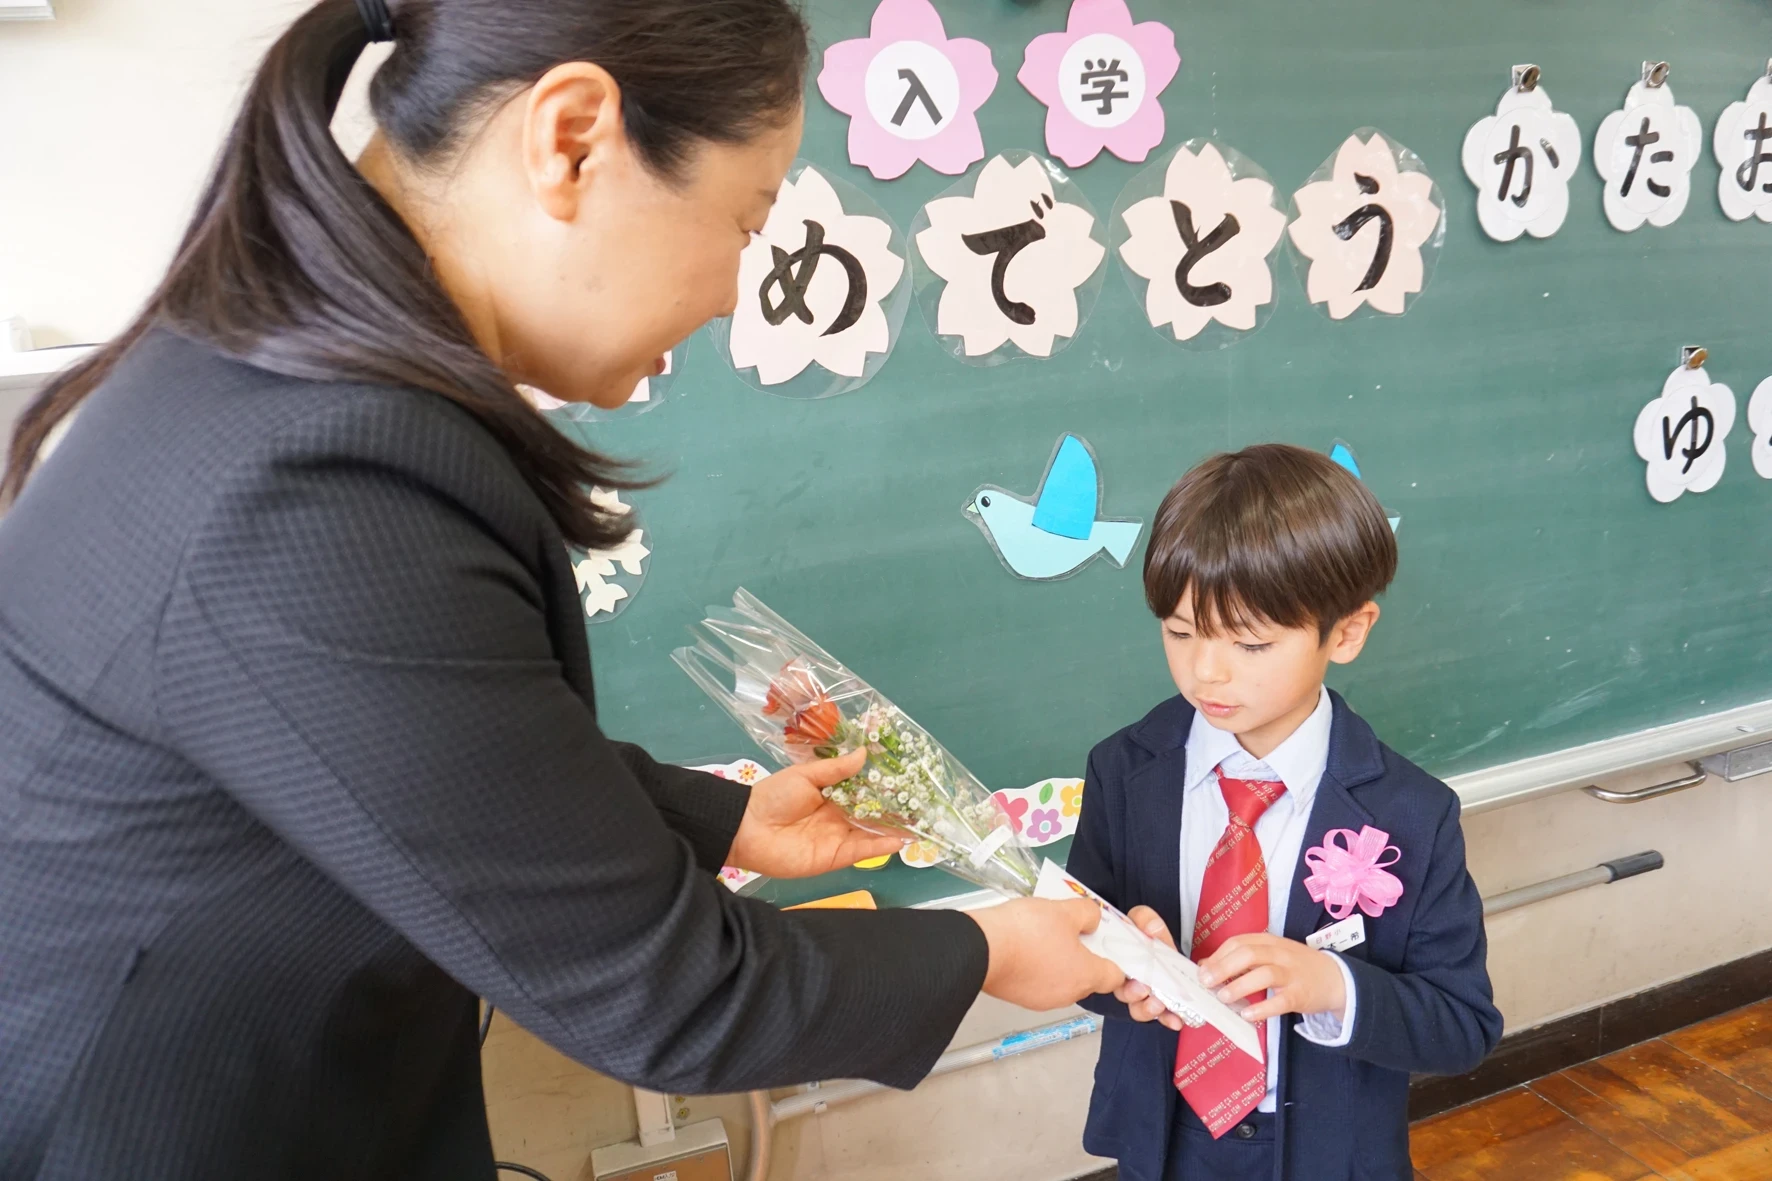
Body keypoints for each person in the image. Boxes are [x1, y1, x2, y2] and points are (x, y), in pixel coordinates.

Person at [0, 2, 1125, 1178]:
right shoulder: (320, 483)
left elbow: (443, 759)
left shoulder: (282, 390)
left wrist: (723, 817)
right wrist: (983, 950)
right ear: (574, 138)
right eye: (747, 221)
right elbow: (670, 990)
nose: (735, 290)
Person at [1067, 444, 1502, 1181]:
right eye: (1179, 631)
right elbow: (1077, 956)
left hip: (1330, 1151)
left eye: (1250, 641)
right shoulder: (1125, 770)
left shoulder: (1411, 812)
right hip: (1163, 1136)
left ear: (1348, 631)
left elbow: (1463, 1025)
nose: (1207, 669)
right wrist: (1117, 966)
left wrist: (1331, 984)